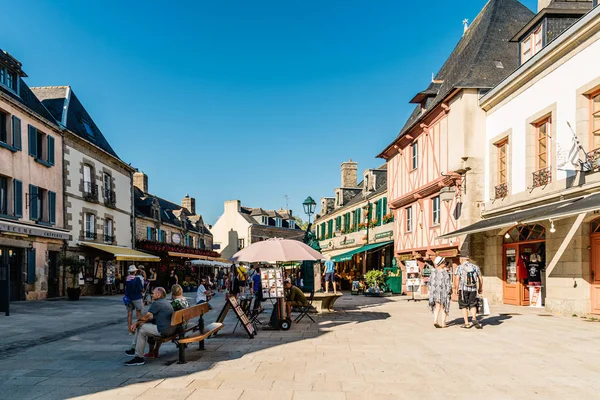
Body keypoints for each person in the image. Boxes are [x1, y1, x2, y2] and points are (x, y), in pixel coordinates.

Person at [124, 287, 175, 366]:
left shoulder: (156, 303)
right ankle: (135, 350)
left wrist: (137, 323)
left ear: (158, 294)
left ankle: (138, 356)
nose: (151, 295)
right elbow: (151, 317)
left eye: (153, 293)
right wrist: (138, 322)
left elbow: (146, 317)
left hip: (163, 330)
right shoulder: (165, 302)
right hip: (171, 329)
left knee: (141, 328)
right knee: (141, 326)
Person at [147, 284, 189, 359]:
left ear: (172, 293)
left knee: (155, 324)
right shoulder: (184, 300)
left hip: (175, 327)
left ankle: (152, 352)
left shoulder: (174, 303)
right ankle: (155, 350)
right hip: (182, 325)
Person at [454, 256, 483, 329]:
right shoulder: (475, 267)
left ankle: (466, 323)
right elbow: (480, 278)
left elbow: (457, 279)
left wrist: (456, 288)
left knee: (464, 306)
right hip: (473, 289)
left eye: (460, 259)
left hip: (463, 289)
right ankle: (474, 318)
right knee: (473, 304)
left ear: (462, 259)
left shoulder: (460, 267)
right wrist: (480, 288)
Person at [428, 257, 452, 328]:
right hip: (443, 292)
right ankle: (443, 323)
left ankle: (435, 321)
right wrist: (450, 290)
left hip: (435, 292)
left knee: (437, 306)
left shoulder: (433, 272)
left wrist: (431, 291)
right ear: (441, 263)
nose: (445, 263)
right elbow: (448, 283)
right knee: (444, 307)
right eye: (444, 262)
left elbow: (429, 283)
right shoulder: (444, 272)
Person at [124, 265, 144, 333]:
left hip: (129, 298)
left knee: (129, 314)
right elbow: (141, 288)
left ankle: (130, 329)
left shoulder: (127, 279)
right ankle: (139, 328)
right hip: (137, 297)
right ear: (135, 272)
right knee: (139, 313)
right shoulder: (137, 279)